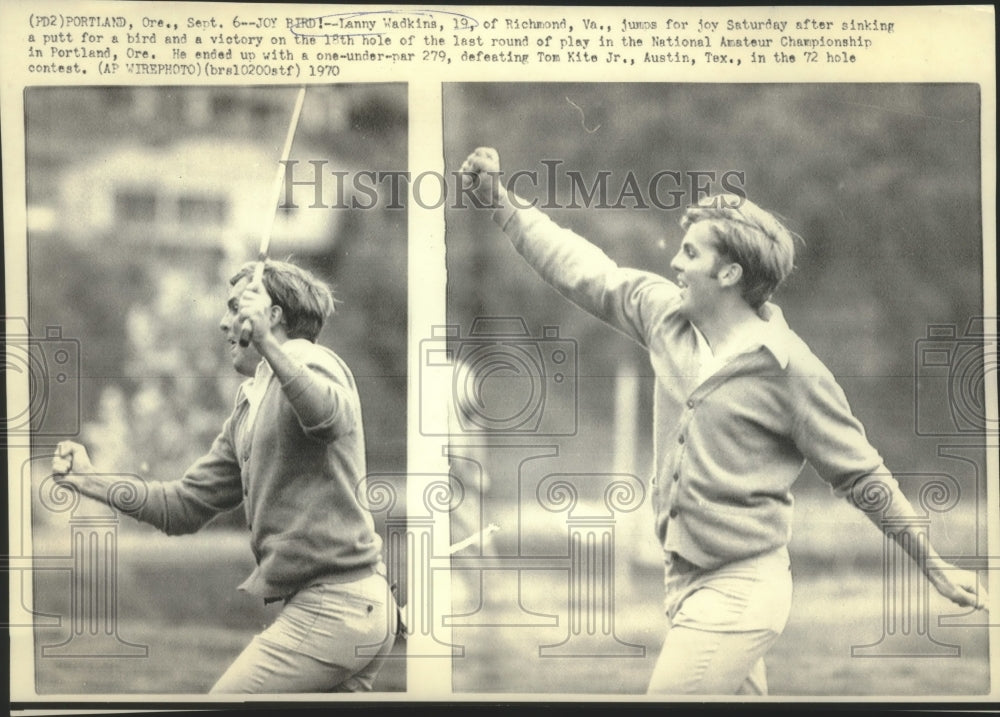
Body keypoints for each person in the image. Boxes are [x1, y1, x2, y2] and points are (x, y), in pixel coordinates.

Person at [458, 146, 988, 695]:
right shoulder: (664, 316)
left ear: (730, 271)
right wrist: (501, 203)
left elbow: (863, 477)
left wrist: (935, 565)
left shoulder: (791, 370)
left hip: (742, 589)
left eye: (690, 253)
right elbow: (584, 271)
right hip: (682, 580)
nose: (675, 264)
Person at [52, 259, 398, 693]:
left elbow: (329, 418)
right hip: (355, 612)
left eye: (237, 308)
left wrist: (271, 345)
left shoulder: (312, 359)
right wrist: (88, 480)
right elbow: (183, 507)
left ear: (271, 317)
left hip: (334, 610)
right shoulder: (249, 404)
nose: (223, 322)